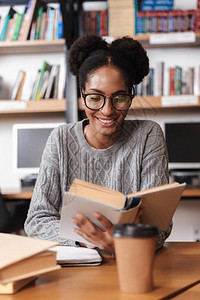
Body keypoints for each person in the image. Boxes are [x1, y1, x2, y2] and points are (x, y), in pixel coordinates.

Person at [24, 35, 172, 253]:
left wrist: (121, 244)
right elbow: (37, 220)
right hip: (78, 262)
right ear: (82, 95)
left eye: (119, 98)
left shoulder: (148, 135)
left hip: (134, 258)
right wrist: (88, 239)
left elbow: (160, 225)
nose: (107, 111)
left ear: (131, 95)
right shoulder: (61, 139)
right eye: (95, 98)